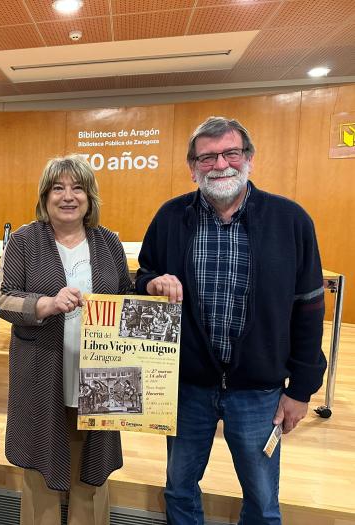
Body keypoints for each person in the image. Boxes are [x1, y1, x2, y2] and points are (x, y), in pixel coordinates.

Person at [135, 116, 326, 525]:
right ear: (193, 167)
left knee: (261, 500)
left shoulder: (290, 220)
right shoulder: (170, 217)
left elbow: (309, 308)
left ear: (249, 159)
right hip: (187, 387)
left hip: (260, 392)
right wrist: (154, 282)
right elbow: (144, 273)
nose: (220, 164)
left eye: (230, 153)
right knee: (179, 488)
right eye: (207, 157)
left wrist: (303, 389)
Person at [0, 155, 133, 525]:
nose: (68, 196)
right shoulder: (24, 240)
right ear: (45, 196)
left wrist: (157, 291)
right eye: (58, 188)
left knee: (93, 473)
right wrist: (46, 304)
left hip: (101, 381)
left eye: (78, 187)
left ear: (90, 197)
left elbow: (127, 296)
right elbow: (2, 298)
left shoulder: (109, 243)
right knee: (40, 470)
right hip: (42, 374)